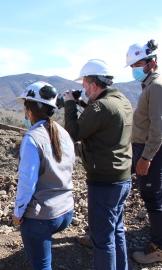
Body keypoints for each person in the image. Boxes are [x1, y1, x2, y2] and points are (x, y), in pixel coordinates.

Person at [63, 59, 133, 270]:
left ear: (93, 85)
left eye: (84, 87)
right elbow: (100, 119)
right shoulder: (121, 100)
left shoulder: (101, 107)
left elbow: (73, 132)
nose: (83, 91)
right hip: (122, 178)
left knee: (102, 239)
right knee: (116, 231)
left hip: (104, 181)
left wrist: (69, 103)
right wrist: (82, 103)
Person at [12, 81, 75, 270]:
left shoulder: (32, 138)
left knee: (42, 266)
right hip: (66, 211)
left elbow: (27, 181)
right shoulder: (63, 133)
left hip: (42, 217)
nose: (24, 111)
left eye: (25, 106)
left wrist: (18, 212)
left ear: (30, 110)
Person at [125, 39, 162, 264]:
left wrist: (146, 157)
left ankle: (159, 249)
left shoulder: (157, 86)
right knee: (147, 195)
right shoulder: (150, 84)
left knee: (153, 199)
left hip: (152, 151)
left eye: (138, 64)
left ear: (151, 63)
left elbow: (159, 127)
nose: (134, 69)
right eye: (132, 65)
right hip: (145, 148)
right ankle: (157, 244)